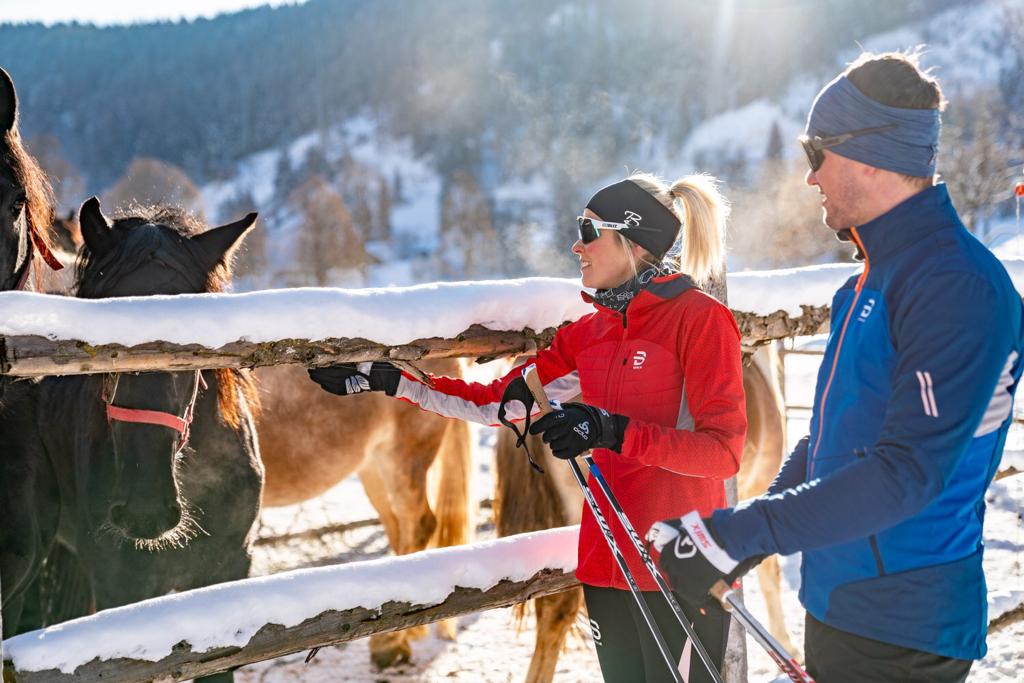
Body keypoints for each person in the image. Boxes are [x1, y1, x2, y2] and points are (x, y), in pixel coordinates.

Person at [648, 51, 1024, 683]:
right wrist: (744, 540)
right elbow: (828, 441)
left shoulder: (956, 287)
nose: (809, 178)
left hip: (905, 626)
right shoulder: (864, 287)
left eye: (815, 153)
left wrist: (738, 534)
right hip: (841, 605)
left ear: (872, 156)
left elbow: (907, 473)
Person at [308, 172, 747, 683]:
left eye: (587, 231)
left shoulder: (700, 320)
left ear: (631, 240)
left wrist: (611, 431)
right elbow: (500, 402)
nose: (574, 246)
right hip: (607, 563)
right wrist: (392, 380)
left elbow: (722, 452)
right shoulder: (588, 335)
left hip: (680, 566)